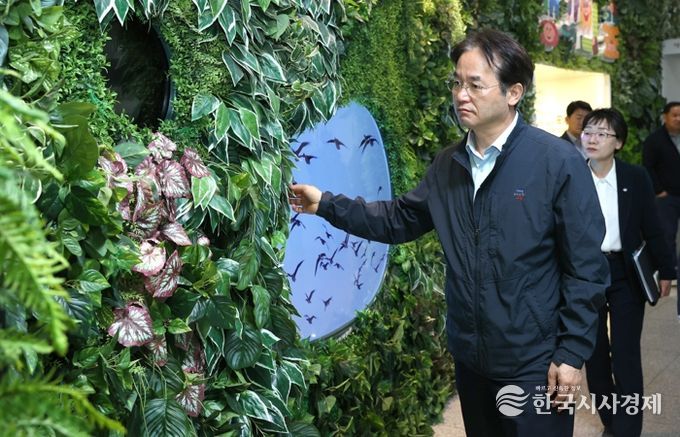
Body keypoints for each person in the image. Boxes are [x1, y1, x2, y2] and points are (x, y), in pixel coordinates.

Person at [290, 29, 609, 436]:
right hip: (471, 359)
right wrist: (325, 204)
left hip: (533, 361)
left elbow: (586, 267)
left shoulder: (556, 162)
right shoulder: (448, 165)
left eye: (475, 84)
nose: (461, 95)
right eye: (457, 83)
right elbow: (398, 219)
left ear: (513, 92)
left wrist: (571, 351)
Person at [582, 108, 674, 437]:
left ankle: (628, 429)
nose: (592, 139)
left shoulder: (635, 177)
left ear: (618, 142)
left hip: (624, 271)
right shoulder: (571, 175)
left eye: (602, 133)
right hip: (585, 274)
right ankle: (611, 420)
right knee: (594, 356)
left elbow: (653, 225)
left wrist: (667, 269)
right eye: (588, 131)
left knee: (625, 355)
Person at [642, 101, 680, 321]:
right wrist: (659, 190)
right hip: (667, 196)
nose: (678, 119)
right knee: (667, 233)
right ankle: (668, 272)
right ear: (665, 117)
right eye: (675, 115)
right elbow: (647, 166)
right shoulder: (655, 140)